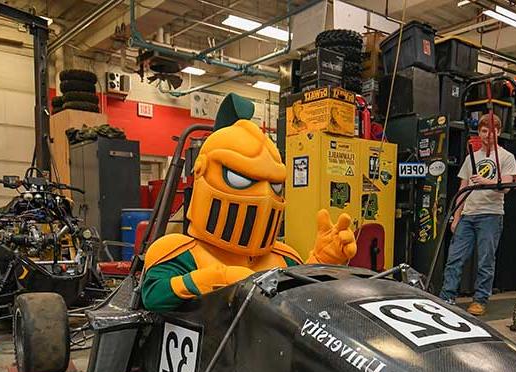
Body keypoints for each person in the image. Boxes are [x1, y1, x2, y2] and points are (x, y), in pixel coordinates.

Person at [142, 93, 357, 311]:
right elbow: (153, 295)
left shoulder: (284, 257)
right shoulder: (181, 252)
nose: (264, 197)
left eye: (275, 186)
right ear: (201, 171)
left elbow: (303, 298)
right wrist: (218, 278)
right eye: (240, 179)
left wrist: (321, 262)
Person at [440, 113, 516, 316]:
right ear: (479, 132)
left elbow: (507, 187)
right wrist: (456, 217)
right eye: (484, 131)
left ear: (498, 132)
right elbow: (462, 189)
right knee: (454, 258)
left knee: (486, 260)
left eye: (492, 131)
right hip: (468, 214)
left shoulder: (506, 157)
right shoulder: (471, 158)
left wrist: (486, 181)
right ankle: (447, 297)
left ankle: (480, 300)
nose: (487, 135)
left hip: (491, 215)